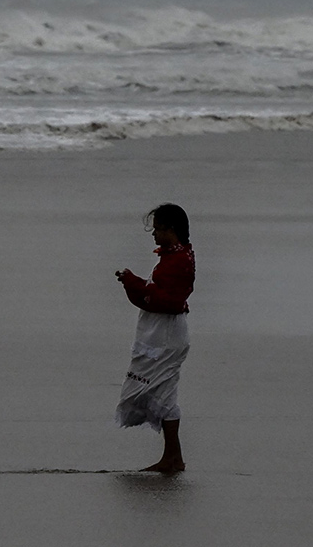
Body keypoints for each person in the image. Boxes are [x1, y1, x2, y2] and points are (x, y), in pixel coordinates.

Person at [113, 203, 196, 474]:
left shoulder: (180, 260)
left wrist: (135, 283)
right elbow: (160, 295)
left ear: (171, 229)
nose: (154, 235)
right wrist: (133, 283)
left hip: (166, 335)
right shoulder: (175, 256)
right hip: (161, 331)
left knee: (163, 392)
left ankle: (173, 457)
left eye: (158, 229)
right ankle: (173, 456)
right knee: (162, 390)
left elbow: (167, 300)